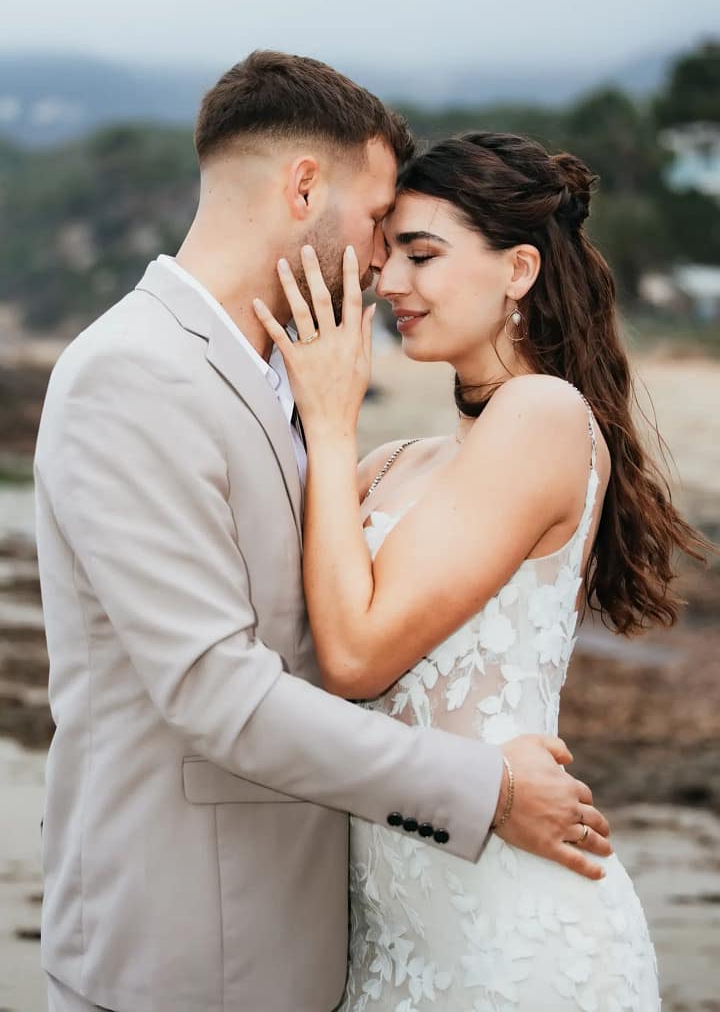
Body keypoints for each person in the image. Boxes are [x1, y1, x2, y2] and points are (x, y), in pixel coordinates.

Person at [35, 56, 610, 1012]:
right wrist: (489, 790)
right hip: (185, 946)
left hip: (330, 936)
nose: (382, 262)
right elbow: (217, 689)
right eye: (381, 218)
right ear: (304, 187)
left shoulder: (292, 379)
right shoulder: (131, 372)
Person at [254, 131, 707, 1009]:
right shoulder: (393, 465)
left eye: (423, 255)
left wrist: (332, 420)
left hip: (510, 936)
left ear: (518, 270)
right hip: (389, 939)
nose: (390, 282)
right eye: (390, 255)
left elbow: (355, 658)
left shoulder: (544, 414)